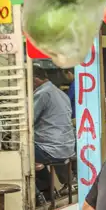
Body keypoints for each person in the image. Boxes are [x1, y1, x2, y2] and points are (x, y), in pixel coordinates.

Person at [33, 65, 75, 203]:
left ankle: (43, 194)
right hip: (67, 147)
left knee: (22, 154)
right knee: (34, 157)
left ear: (35, 80)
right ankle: (48, 192)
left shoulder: (42, 93)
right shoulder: (61, 93)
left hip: (51, 149)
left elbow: (28, 120)